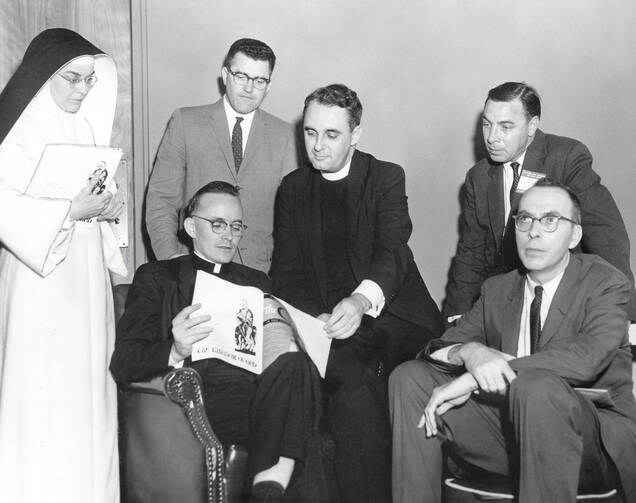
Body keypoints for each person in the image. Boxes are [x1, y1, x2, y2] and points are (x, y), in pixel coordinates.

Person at [390, 180, 636, 503]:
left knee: (535, 388)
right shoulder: (498, 290)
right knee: (409, 379)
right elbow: (435, 348)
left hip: (591, 442)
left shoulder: (605, 282)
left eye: (550, 220)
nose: (533, 232)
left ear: (575, 235)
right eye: (524, 219)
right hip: (513, 435)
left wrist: (480, 376)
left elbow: (585, 359)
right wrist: (471, 352)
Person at [270, 84, 444, 503]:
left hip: (394, 315)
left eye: (331, 135)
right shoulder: (292, 188)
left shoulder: (385, 177)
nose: (317, 146)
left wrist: (360, 302)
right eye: (310, 133)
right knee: (299, 369)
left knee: (347, 372)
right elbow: (287, 273)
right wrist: (318, 321)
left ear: (356, 135)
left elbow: (393, 253)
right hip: (327, 320)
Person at [111, 181, 324, 503]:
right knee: (302, 427)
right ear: (190, 226)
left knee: (297, 364)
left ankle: (268, 487)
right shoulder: (158, 277)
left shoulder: (257, 282)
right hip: (202, 401)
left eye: (236, 227)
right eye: (218, 225)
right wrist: (174, 347)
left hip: (262, 393)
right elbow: (124, 361)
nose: (229, 236)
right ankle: (272, 480)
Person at [0, 28, 125, 502]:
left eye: (89, 81)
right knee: (43, 398)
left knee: (86, 395)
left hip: (86, 284)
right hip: (39, 284)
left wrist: (110, 208)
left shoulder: (86, 128)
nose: (82, 90)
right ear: (43, 77)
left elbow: (97, 199)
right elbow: (4, 205)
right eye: (72, 79)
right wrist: (70, 211)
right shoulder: (18, 132)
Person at [443, 81, 635, 324]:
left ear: (532, 125)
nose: (492, 138)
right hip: (506, 299)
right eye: (486, 124)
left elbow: (606, 236)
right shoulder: (478, 177)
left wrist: (623, 314)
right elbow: (470, 254)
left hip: (565, 296)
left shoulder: (566, 158)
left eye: (506, 127)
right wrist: (456, 318)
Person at [146, 37, 298, 272]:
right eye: (241, 77)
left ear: (269, 85)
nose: (249, 88)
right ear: (225, 75)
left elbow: (293, 222)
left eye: (259, 80)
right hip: (193, 269)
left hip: (260, 276)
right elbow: (161, 203)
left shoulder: (285, 136)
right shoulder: (185, 123)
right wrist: (174, 263)